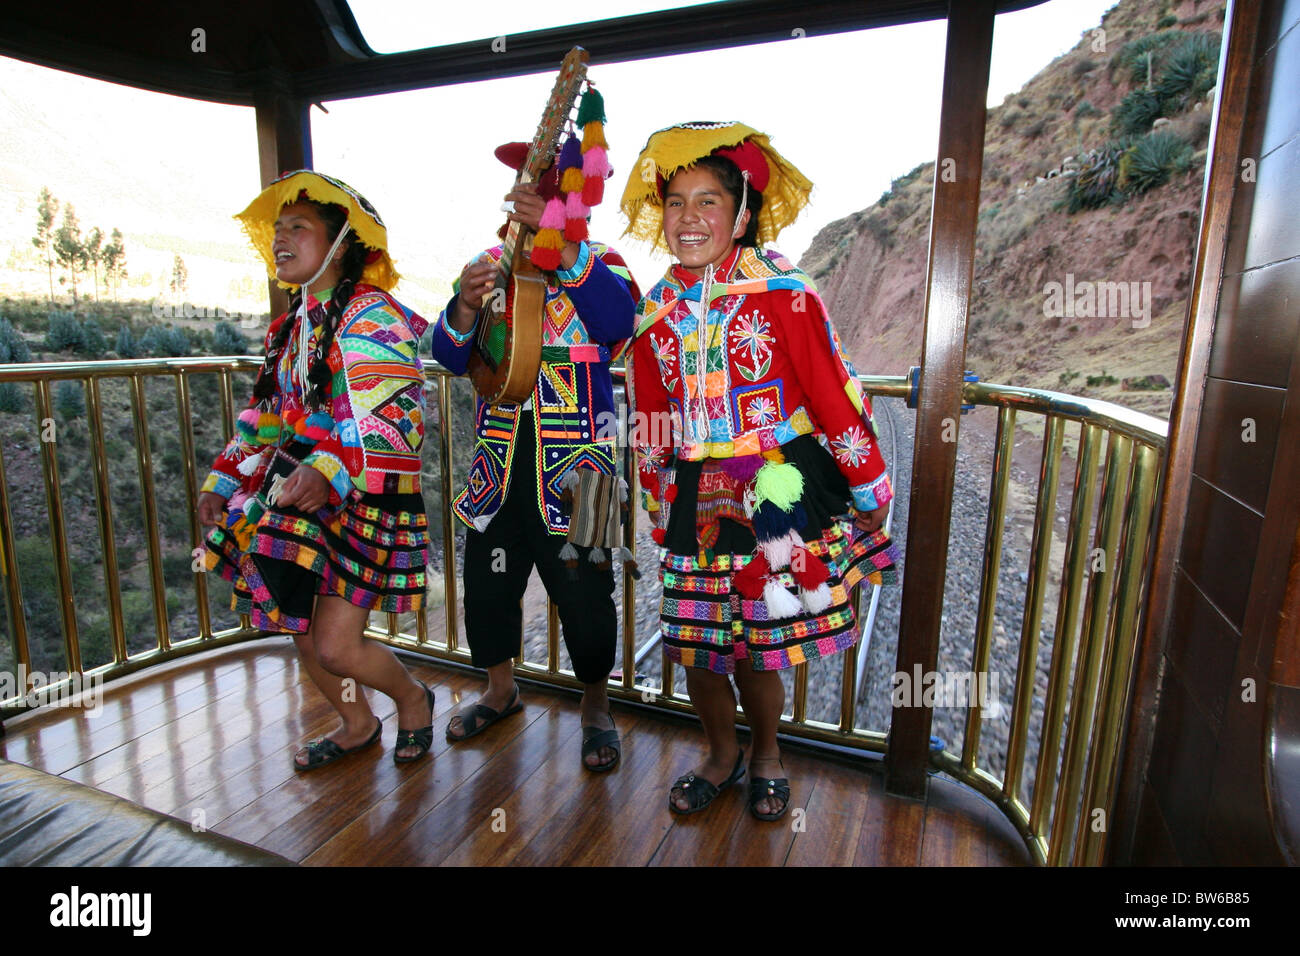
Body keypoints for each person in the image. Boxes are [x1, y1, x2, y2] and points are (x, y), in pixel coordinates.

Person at [622, 122, 900, 820]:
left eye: (707, 201)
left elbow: (831, 392)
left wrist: (870, 486)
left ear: (742, 213)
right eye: (676, 202)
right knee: (696, 646)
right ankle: (721, 754)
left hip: (776, 482)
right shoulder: (654, 311)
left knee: (758, 645)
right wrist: (659, 496)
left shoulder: (785, 291)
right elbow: (653, 415)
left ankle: (768, 752)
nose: (689, 218)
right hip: (695, 491)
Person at [198, 170, 436, 770]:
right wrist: (223, 480)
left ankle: (412, 699)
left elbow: (394, 417)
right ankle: (358, 723)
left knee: (335, 644)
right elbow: (268, 416)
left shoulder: (372, 314)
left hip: (361, 496)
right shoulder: (291, 327)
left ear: (340, 243)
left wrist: (328, 469)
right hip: (299, 495)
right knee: (299, 624)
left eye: (297, 227)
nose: (281, 238)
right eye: (278, 229)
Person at [430, 141, 639, 771]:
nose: (532, 199)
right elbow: (447, 353)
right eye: (528, 189)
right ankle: (500, 689)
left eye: (547, 191)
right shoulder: (488, 263)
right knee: (488, 586)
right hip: (499, 459)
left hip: (582, 466)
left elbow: (619, 320)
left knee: (587, 594)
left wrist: (565, 252)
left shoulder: (602, 262)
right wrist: (464, 307)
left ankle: (596, 705)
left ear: (571, 201)